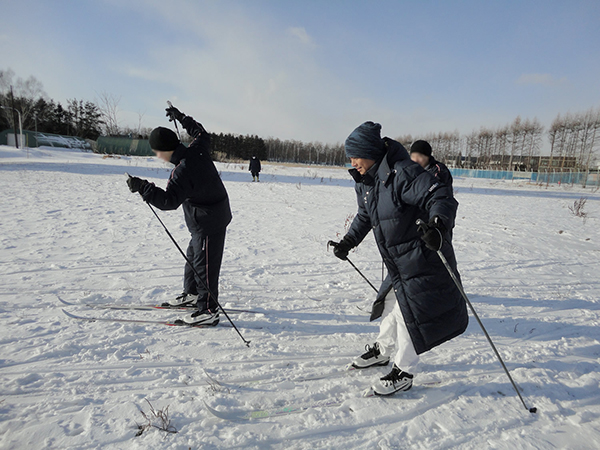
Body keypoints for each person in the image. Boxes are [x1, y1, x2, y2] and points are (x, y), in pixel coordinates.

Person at [329, 122, 468, 396]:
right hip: (397, 261)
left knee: (409, 315)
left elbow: (439, 195)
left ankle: (404, 371)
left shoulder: (402, 173)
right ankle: (382, 350)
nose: (353, 162)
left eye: (355, 156)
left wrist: (438, 226)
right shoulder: (368, 182)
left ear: (369, 152)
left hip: (420, 257)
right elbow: (365, 216)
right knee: (390, 305)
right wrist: (349, 241)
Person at [126, 105, 232, 326]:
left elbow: (168, 201)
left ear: (164, 151)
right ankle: (193, 294)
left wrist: (144, 187)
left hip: (209, 221)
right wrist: (181, 117)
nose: (157, 156)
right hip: (205, 217)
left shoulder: (182, 171)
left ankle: (209, 310)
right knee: (194, 258)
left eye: (157, 152)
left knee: (205, 266)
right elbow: (201, 132)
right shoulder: (197, 147)